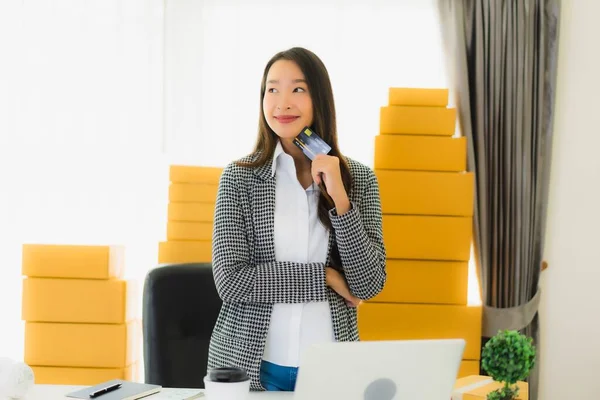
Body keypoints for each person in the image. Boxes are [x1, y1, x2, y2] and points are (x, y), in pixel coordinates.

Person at [207, 47, 386, 391]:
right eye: (272, 89)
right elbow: (231, 281)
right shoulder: (239, 178)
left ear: (319, 98)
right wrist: (326, 277)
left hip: (332, 370)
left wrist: (340, 199)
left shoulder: (360, 179)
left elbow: (368, 284)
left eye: (297, 89)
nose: (282, 103)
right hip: (249, 368)